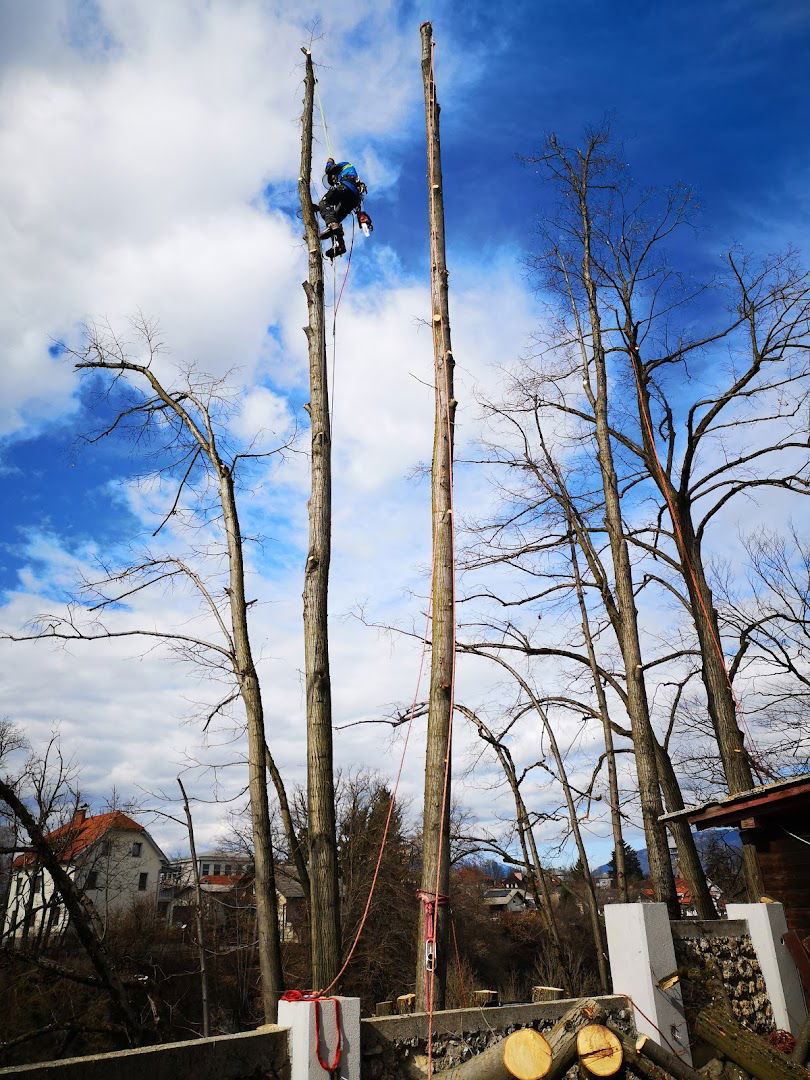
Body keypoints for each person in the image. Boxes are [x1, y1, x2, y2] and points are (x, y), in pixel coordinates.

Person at [317, 158, 362, 258]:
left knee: (324, 202)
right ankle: (340, 246)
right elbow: (332, 205)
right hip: (353, 198)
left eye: (333, 179)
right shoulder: (349, 173)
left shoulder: (343, 164)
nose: (333, 181)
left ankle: (332, 225)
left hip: (347, 188)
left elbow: (328, 170)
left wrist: (329, 162)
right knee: (334, 218)